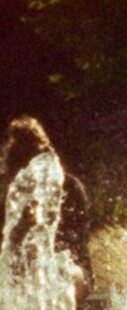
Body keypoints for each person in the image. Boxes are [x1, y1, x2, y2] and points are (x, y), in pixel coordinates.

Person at [1, 114, 92, 275]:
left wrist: (43, 223)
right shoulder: (12, 199)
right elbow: (6, 252)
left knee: (58, 271)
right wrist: (21, 229)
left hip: (70, 268)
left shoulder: (69, 187)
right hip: (22, 274)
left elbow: (75, 244)